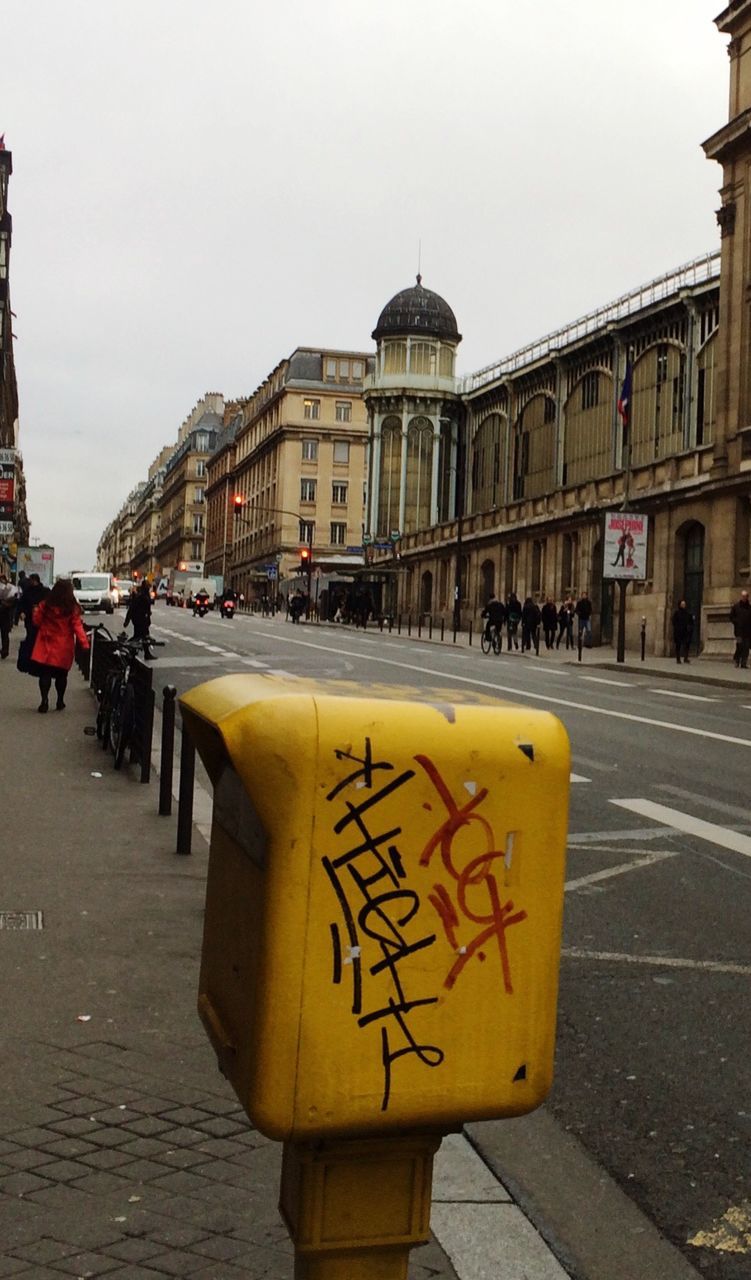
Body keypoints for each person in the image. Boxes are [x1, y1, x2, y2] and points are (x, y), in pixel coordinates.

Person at [30, 578, 90, 712]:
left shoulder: (45, 605)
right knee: (61, 675)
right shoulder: (71, 609)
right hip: (63, 646)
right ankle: (60, 700)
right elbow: (77, 627)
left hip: (45, 643)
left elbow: (36, 621)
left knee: (45, 674)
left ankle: (44, 700)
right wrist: (84, 643)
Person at [125, 581, 153, 645]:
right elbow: (132, 607)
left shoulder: (145, 594)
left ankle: (146, 653)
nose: (149, 588)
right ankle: (128, 646)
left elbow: (147, 609)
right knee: (141, 636)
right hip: (139, 619)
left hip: (142, 619)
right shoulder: (141, 595)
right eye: (148, 586)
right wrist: (127, 620)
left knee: (143, 636)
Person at [730, 589, 751, 669]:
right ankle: (736, 660)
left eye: (746, 596)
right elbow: (731, 617)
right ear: (741, 597)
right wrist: (737, 622)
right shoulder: (736, 606)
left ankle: (744, 663)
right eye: (743, 596)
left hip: (748, 632)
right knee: (739, 645)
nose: (744, 598)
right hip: (738, 631)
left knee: (746, 647)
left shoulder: (749, 607)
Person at [0, 573, 18, 659]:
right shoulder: (11, 588)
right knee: (4, 634)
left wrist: (6, 603)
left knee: (4, 634)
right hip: (5, 614)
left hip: (5, 614)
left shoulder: (11, 588)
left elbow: (14, 601)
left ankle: (4, 651)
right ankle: (4, 651)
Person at [672, 599, 694, 664]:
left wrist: (690, 628)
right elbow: (674, 621)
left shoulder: (687, 613)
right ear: (680, 605)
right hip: (678, 632)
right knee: (678, 645)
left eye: (684, 604)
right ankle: (678, 659)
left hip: (686, 632)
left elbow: (691, 622)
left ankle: (685, 658)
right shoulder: (677, 613)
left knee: (687, 644)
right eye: (682, 604)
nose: (684, 605)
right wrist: (677, 628)